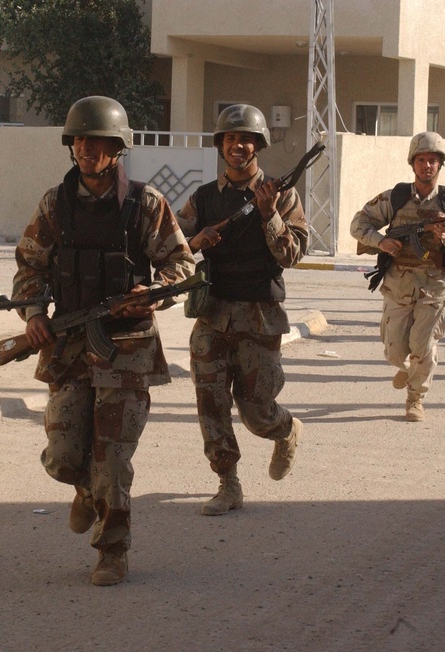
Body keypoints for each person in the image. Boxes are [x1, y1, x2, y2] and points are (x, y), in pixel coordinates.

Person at [11, 96, 193, 586]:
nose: (89, 149)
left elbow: (182, 264)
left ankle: (112, 550)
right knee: (64, 456)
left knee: (112, 458)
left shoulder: (145, 202)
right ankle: (85, 492)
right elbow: (29, 265)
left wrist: (153, 294)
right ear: (72, 146)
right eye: (81, 141)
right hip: (69, 344)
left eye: (100, 142)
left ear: (118, 149)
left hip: (127, 350)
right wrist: (32, 314)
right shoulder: (55, 204)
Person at [174, 104, 309, 517]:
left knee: (256, 411)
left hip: (259, 314)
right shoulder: (203, 198)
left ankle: (285, 428)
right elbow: (172, 242)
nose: (239, 145)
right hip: (212, 314)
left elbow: (292, 254)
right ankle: (228, 483)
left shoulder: (281, 195)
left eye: (247, 139)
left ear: (259, 146)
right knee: (210, 401)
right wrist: (198, 241)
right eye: (231, 138)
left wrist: (269, 215)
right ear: (221, 145)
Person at [350, 132, 445, 422]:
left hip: (435, 288)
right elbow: (359, 223)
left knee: (424, 345)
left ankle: (416, 398)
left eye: (433, 160)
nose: (427, 166)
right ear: (412, 163)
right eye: (421, 160)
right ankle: (404, 368)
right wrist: (380, 242)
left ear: (441, 165)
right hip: (399, 284)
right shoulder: (396, 197)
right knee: (394, 350)